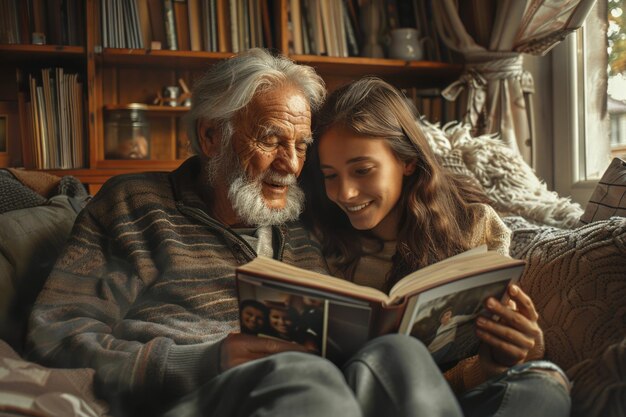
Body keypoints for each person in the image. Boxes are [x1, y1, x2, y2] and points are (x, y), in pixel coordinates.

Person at [25, 50, 479, 417]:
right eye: (271, 139)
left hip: (315, 393)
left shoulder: (302, 222)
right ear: (210, 137)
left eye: (301, 147)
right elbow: (55, 333)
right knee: (302, 375)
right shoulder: (136, 205)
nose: (291, 164)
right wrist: (206, 360)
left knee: (400, 358)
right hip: (199, 394)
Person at [301, 77, 571, 416]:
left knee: (544, 382)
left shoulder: (475, 227)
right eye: (330, 175)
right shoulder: (325, 247)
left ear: (407, 161)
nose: (345, 193)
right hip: (378, 402)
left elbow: (497, 353)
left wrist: (525, 348)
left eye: (362, 170)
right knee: (393, 353)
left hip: (466, 397)